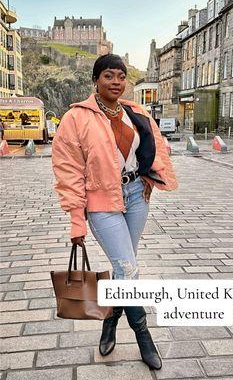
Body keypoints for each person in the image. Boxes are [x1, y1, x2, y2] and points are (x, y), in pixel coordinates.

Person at [52, 54, 178, 370]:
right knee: (128, 267)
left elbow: (156, 146)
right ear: (96, 80)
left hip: (136, 196)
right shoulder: (76, 119)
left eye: (121, 76)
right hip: (101, 202)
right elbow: (68, 170)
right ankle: (143, 336)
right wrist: (76, 221)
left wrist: (151, 175)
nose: (116, 82)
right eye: (109, 76)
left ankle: (109, 323)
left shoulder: (136, 112)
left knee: (126, 269)